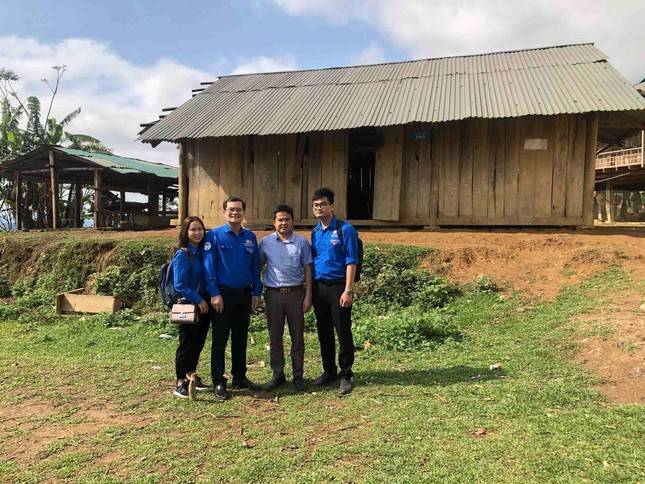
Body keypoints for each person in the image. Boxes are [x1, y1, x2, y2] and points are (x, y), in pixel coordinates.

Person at [204, 196, 262, 401]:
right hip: (222, 295)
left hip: (244, 294)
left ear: (244, 213)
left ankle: (240, 376)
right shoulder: (214, 236)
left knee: (240, 337)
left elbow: (255, 265)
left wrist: (257, 291)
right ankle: (218, 380)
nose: (235, 213)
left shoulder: (250, 237)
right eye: (231, 209)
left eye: (239, 210)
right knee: (220, 339)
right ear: (224, 212)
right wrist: (214, 293)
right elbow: (209, 266)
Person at [259, 204, 313, 391]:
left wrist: (308, 295)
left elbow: (308, 269)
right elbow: (257, 266)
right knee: (275, 336)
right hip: (273, 295)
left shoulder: (302, 242)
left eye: (287, 219)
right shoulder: (265, 243)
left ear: (292, 221)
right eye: (280, 220)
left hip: (296, 294)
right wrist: (255, 291)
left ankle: (298, 375)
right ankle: (278, 374)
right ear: (274, 222)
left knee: (297, 336)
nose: (284, 223)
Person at [310, 187, 358, 395]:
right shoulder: (315, 232)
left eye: (323, 204)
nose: (319, 208)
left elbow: (351, 260)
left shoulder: (345, 229)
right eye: (315, 205)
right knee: (324, 331)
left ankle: (345, 373)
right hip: (319, 287)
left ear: (332, 206)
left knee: (343, 331)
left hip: (339, 287)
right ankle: (328, 371)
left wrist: (348, 290)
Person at [172, 216, 210, 398]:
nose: (197, 233)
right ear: (186, 232)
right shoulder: (183, 254)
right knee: (186, 343)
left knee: (198, 342)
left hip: (204, 305)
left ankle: (191, 374)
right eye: (193, 229)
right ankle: (180, 381)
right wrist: (198, 300)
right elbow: (179, 284)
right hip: (189, 304)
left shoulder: (203, 252)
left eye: (200, 229)